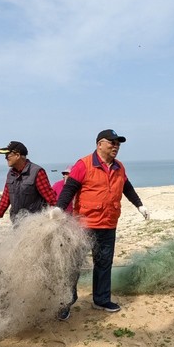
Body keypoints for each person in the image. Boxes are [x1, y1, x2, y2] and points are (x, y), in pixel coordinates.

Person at [54, 129, 150, 317]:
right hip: (84, 225)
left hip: (108, 224)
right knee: (73, 265)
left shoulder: (119, 167)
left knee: (104, 264)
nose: (116, 146)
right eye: (112, 143)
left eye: (118, 144)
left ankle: (101, 299)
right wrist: (59, 208)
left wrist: (140, 205)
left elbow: (127, 188)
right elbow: (69, 189)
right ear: (99, 144)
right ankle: (65, 302)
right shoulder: (84, 164)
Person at [0, 141, 57, 228]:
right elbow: (6, 197)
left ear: (17, 155)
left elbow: (50, 197)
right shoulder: (11, 173)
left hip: (36, 224)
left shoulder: (37, 172)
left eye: (8, 155)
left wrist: (55, 214)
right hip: (16, 223)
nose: (6, 158)